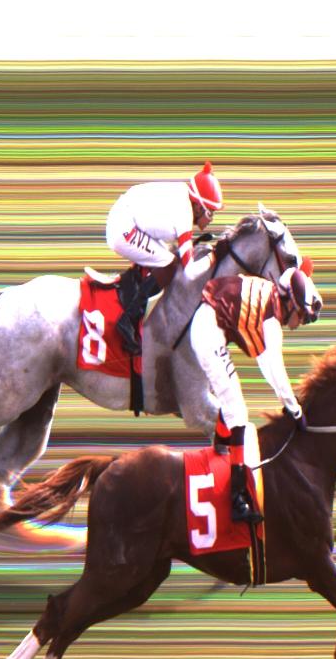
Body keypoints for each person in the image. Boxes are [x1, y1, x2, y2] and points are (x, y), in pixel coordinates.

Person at [192, 260, 322, 525]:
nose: (299, 323)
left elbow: (266, 365)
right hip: (208, 334)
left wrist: (290, 404)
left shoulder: (271, 298)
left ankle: (221, 455)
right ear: (291, 303)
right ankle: (235, 497)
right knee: (238, 410)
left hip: (208, 326)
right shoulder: (272, 318)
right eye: (301, 316)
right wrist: (295, 411)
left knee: (232, 404)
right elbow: (275, 369)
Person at [103, 163, 224, 356]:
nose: (210, 219)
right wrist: (215, 256)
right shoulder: (184, 215)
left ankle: (135, 296)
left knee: (167, 256)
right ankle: (129, 319)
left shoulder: (183, 193)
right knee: (169, 265)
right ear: (198, 206)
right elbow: (191, 272)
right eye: (210, 212)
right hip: (123, 227)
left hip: (124, 216)